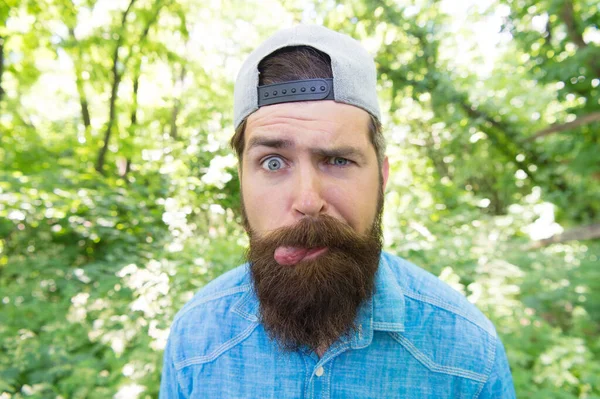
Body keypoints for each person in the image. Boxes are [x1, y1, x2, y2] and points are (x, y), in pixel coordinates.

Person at [159, 25, 516, 398]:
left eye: (338, 160)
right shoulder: (194, 342)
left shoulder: (469, 355)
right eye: (273, 163)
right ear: (242, 179)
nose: (308, 200)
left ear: (381, 175)